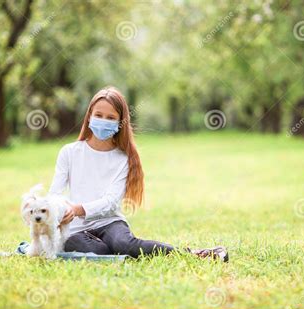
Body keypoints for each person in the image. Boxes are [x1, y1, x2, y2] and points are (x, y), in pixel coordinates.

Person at [49, 86, 228, 262]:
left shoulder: (123, 159)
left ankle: (194, 254)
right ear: (89, 117)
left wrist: (77, 209)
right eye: (98, 115)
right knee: (98, 251)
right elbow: (55, 194)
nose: (103, 120)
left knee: (123, 244)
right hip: (76, 228)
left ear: (120, 123)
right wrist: (61, 210)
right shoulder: (69, 152)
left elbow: (111, 202)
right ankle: (106, 247)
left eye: (110, 117)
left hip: (109, 222)